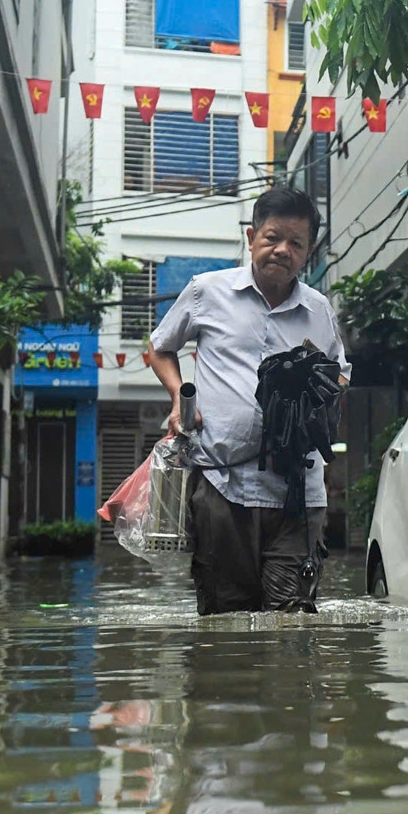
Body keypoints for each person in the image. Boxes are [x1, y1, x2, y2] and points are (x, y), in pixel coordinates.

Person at [145, 187, 348, 615]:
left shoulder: (320, 310)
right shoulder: (207, 292)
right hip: (223, 486)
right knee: (224, 621)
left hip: (299, 492)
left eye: (296, 243)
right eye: (273, 237)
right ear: (252, 236)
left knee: (292, 622)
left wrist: (315, 395)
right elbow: (160, 347)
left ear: (308, 252)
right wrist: (180, 399)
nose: (282, 250)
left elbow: (340, 374)